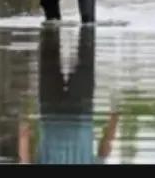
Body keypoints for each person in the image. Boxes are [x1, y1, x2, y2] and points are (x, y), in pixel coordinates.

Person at [18, 27, 120, 164]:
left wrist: (114, 120)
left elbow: (105, 150)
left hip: (75, 114)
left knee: (85, 54)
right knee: (50, 55)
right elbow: (25, 159)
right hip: (54, 115)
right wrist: (24, 128)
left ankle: (79, 22)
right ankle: (53, 20)